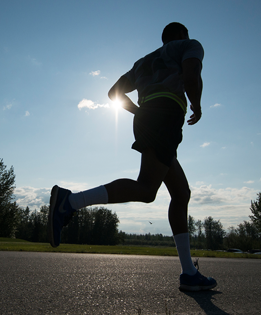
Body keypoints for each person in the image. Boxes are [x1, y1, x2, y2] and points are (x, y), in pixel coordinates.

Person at [48, 22, 217, 291]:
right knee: (147, 189)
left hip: (149, 116)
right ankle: (70, 202)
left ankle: (188, 273)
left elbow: (113, 93)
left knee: (181, 193)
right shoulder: (190, 45)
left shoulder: (143, 61)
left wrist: (140, 112)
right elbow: (191, 75)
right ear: (182, 36)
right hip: (166, 114)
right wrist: (196, 105)